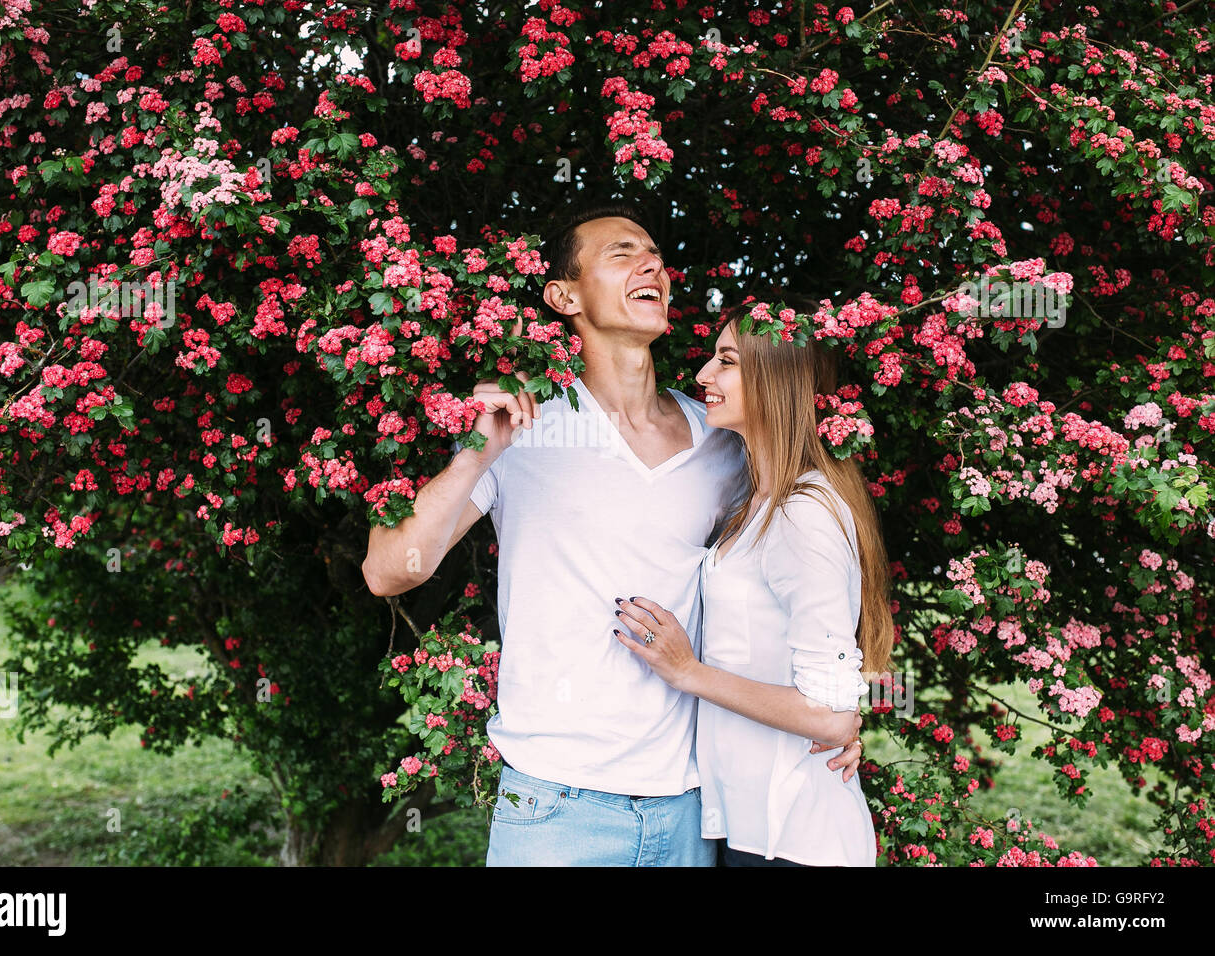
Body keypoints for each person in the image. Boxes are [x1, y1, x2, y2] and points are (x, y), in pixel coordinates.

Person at [363, 207, 862, 867]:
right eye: (623, 253)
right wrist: (474, 454)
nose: (650, 263)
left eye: (655, 253)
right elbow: (388, 573)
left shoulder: (724, 440)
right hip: (553, 807)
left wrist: (828, 717)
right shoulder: (520, 424)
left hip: (689, 808)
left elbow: (803, 585)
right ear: (564, 296)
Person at [613, 301, 893, 867]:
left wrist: (688, 672)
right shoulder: (758, 502)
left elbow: (830, 715)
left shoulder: (804, 512)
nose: (702, 377)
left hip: (796, 837)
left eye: (727, 361)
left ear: (777, 381)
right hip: (752, 828)